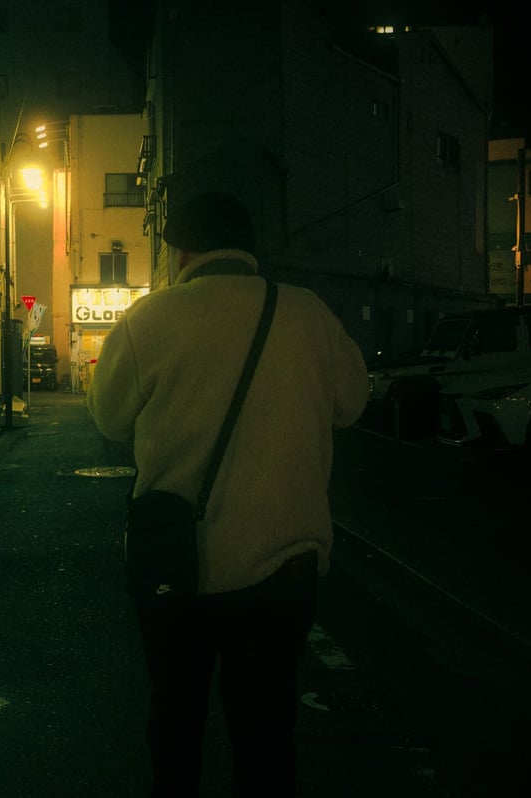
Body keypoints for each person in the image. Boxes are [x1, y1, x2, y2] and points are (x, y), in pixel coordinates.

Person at [86, 192, 369, 796]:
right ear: (248, 251)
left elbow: (108, 418)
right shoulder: (308, 313)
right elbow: (351, 403)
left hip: (178, 567)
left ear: (183, 252)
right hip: (284, 566)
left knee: (176, 718)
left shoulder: (150, 318)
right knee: (265, 733)